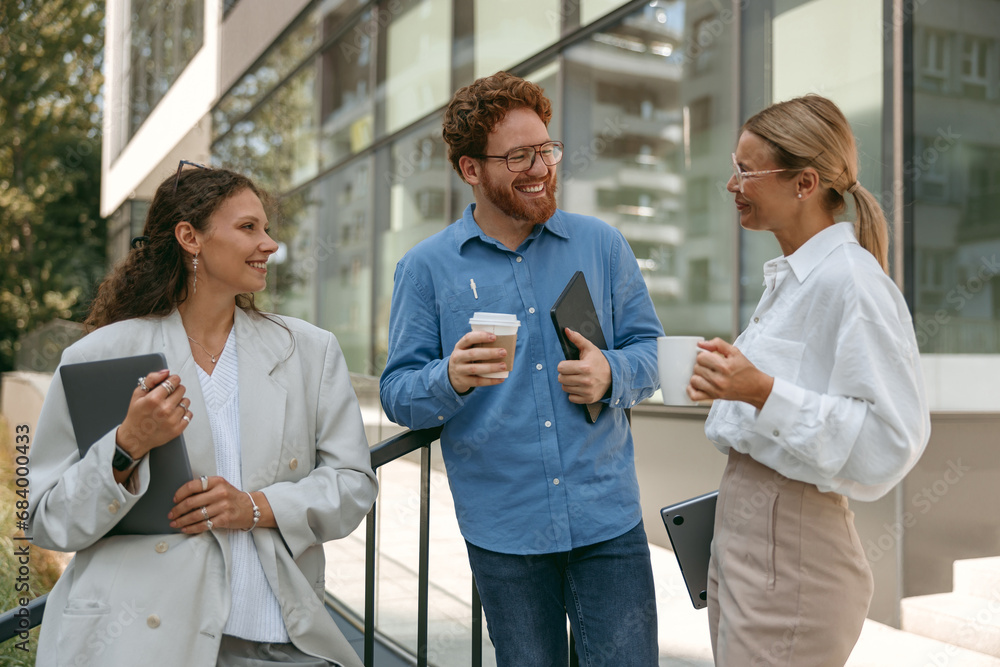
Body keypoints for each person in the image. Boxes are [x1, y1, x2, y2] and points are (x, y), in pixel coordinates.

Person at [27, 163, 378, 666]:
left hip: (273, 637)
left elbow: (353, 483)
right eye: (248, 227)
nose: (270, 244)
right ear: (190, 237)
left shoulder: (308, 351)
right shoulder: (100, 356)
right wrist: (126, 447)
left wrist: (253, 507)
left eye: (266, 227)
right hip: (142, 641)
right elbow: (46, 521)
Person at [379, 72, 664, 666]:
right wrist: (449, 378)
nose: (541, 167)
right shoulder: (424, 269)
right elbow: (398, 393)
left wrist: (611, 373)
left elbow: (650, 349)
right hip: (505, 532)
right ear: (471, 170)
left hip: (606, 520)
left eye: (546, 149)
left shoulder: (602, 244)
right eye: (518, 156)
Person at [688, 95, 930, 667]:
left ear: (805, 183)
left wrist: (760, 391)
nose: (731, 183)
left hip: (791, 548)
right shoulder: (794, 279)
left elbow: (889, 441)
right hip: (749, 535)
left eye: (747, 170)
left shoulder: (852, 284)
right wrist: (729, 389)